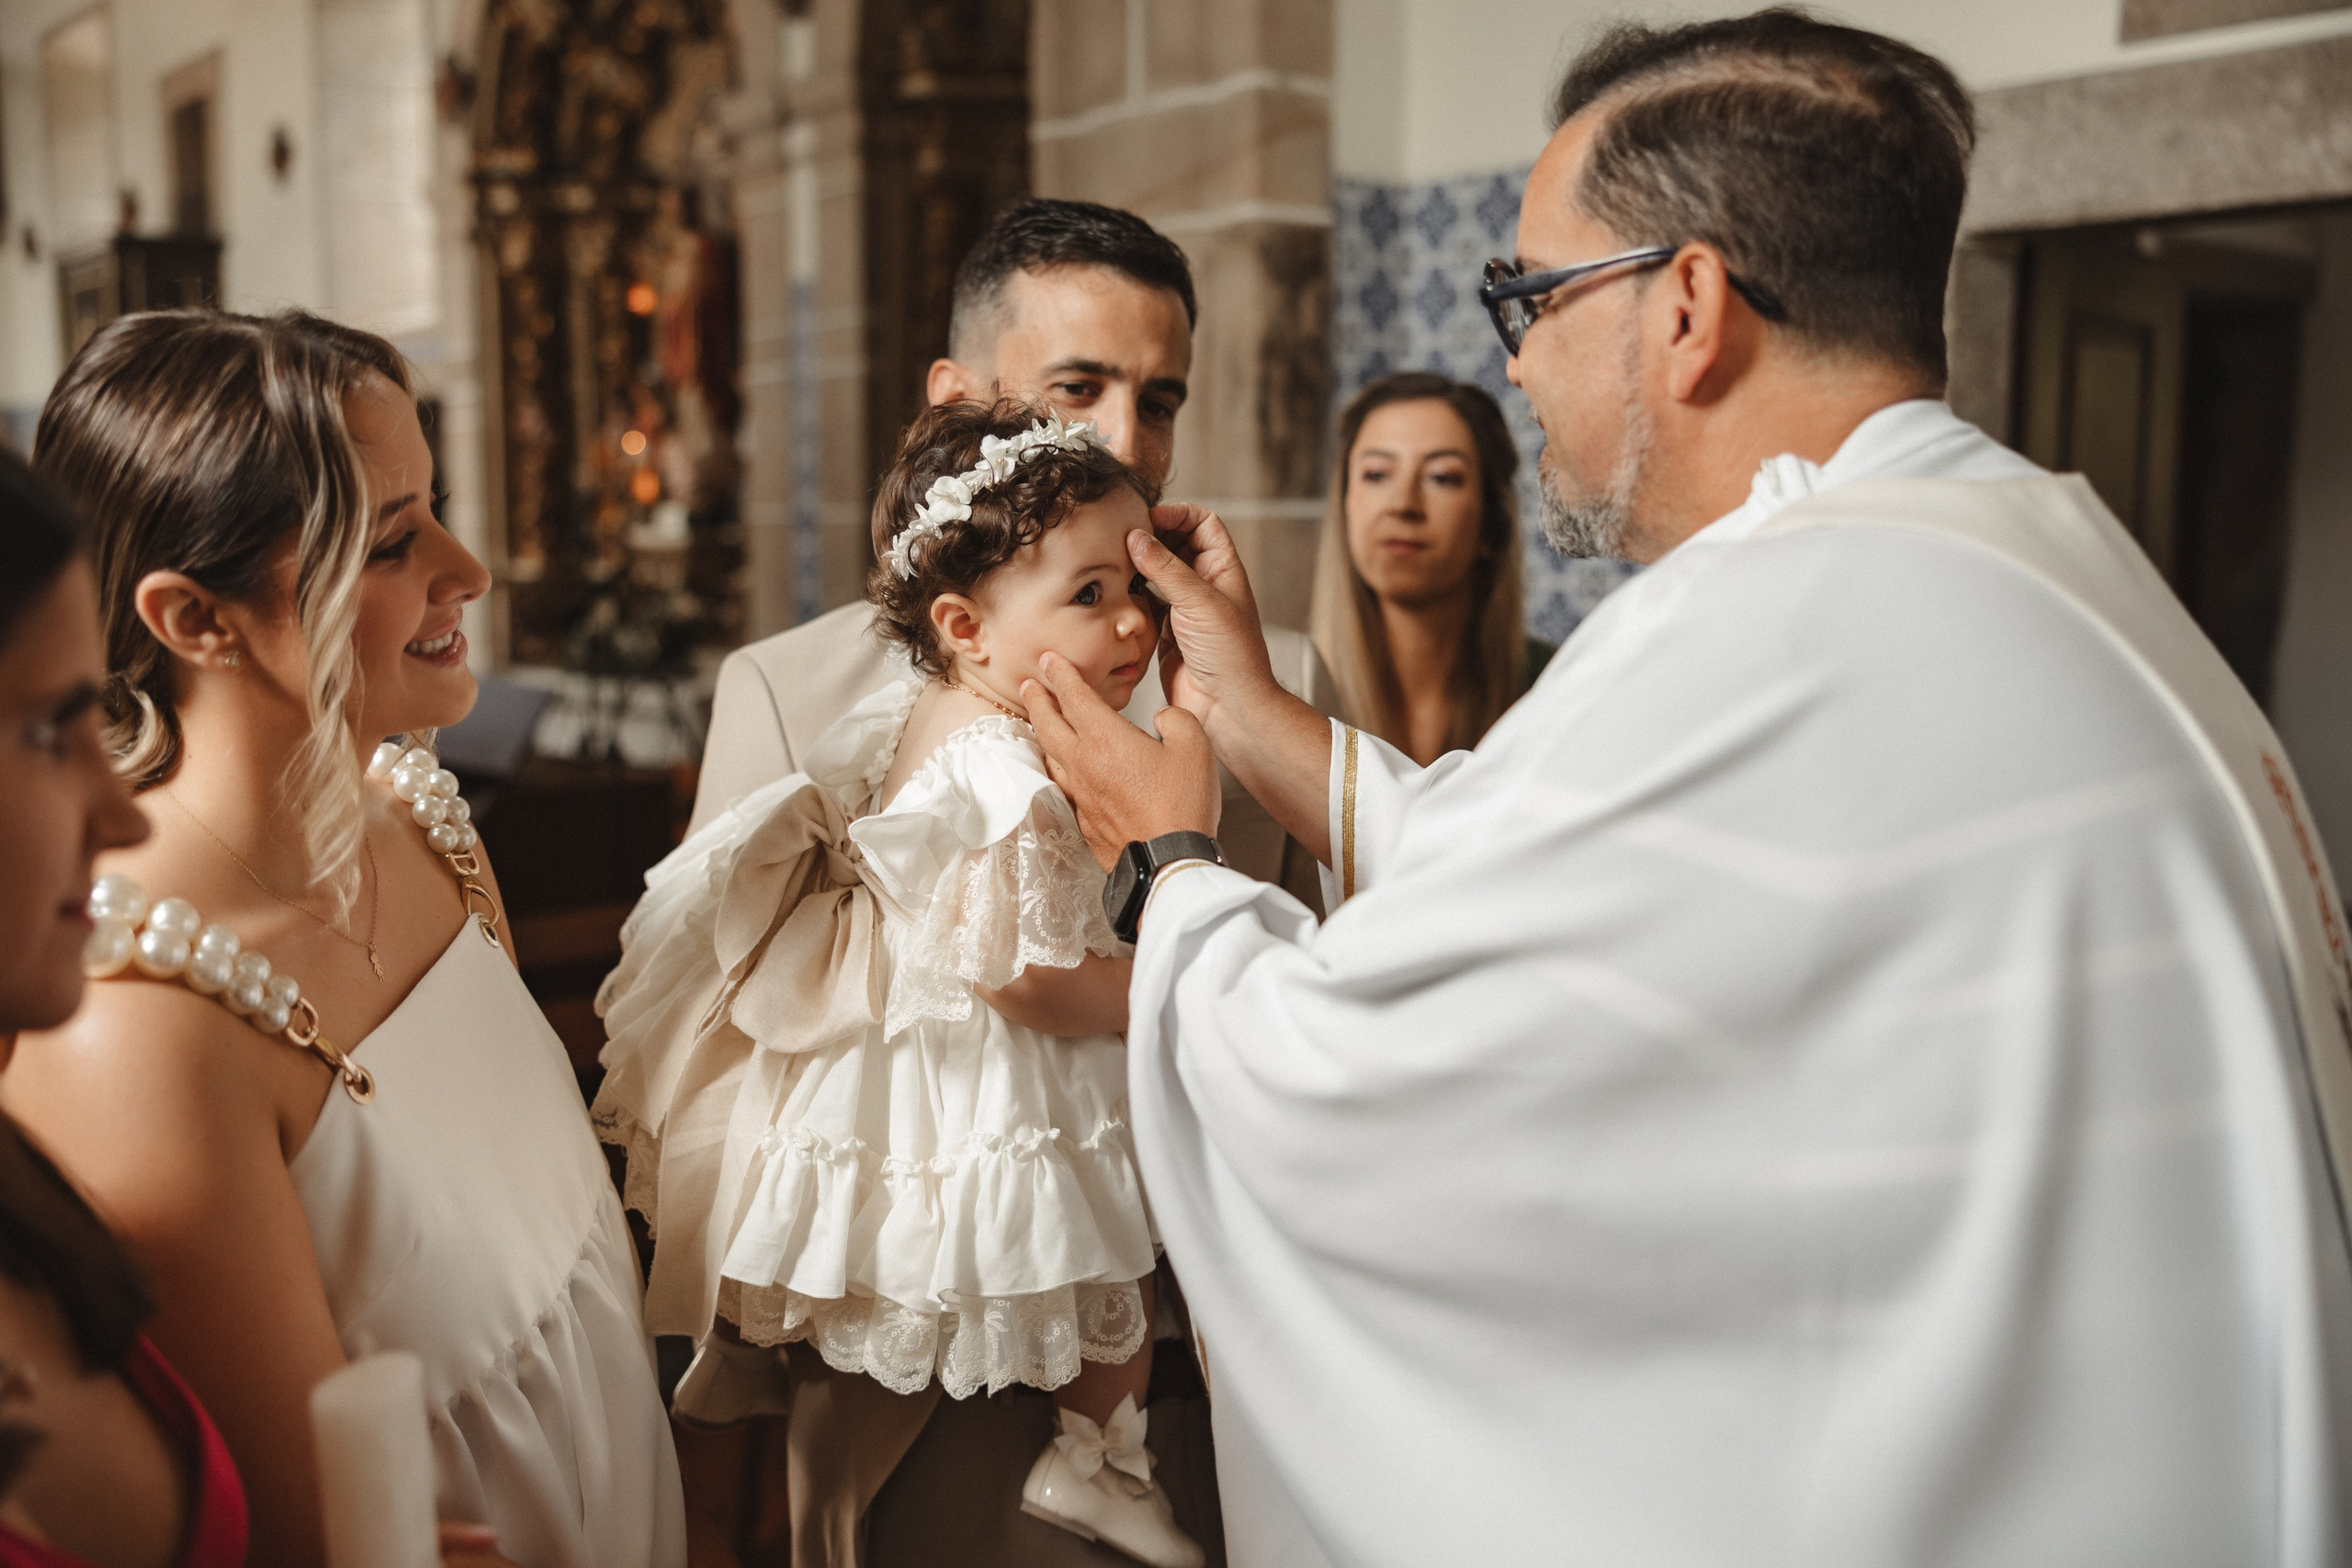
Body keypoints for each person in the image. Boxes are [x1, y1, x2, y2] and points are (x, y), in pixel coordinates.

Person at [1018, 11, 2352, 1565]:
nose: (1514, 358)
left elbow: (1359, 1085)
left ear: (1690, 306)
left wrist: (1169, 865)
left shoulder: (1767, 629)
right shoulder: (2029, 554)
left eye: (1529, 295)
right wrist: (1249, 714)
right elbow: (1552, 868)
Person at [3, 310, 686, 1568]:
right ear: (196, 619)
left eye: (435, 505)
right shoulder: (140, 1023)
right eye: (389, 542)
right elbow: (314, 1527)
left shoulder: (423, 818)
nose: (469, 568)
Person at [596, 400, 1201, 1568]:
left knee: (1079, 1251)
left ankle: (1096, 1461)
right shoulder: (998, 763)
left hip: (920, 1053)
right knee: (1101, 1246)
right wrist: (1157, 976)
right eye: (1088, 596)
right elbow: (1024, 977)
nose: (1131, 623)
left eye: (1140, 589)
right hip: (995, 1059)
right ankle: (1102, 1463)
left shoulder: (927, 716)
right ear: (968, 626)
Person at [691, 197, 1335, 903]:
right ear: (954, 402)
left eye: (1157, 404)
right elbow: (712, 1003)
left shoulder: (1286, 677)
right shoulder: (782, 695)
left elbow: (1338, 970)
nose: (1122, 442)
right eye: (1078, 388)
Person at [1310, 372, 1548, 764]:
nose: (1403, 503)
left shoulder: (1557, 688)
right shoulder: (1289, 690)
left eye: (1442, 477)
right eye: (1376, 474)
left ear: (1491, 523)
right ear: (1345, 505)